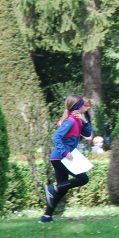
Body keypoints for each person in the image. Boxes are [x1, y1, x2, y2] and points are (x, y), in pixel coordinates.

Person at [40, 95, 93, 223]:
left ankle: (46, 216)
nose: (85, 107)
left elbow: (87, 134)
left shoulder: (78, 120)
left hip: (60, 158)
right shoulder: (70, 121)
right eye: (83, 105)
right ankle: (53, 189)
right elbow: (56, 137)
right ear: (79, 107)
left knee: (62, 188)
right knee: (83, 178)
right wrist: (64, 152)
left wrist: (85, 121)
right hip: (60, 158)